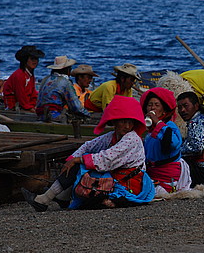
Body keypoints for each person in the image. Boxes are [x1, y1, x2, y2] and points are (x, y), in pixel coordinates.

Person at [22, 95, 155, 211]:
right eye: (123, 121)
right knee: (79, 165)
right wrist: (72, 158)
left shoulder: (132, 139)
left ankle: (45, 200)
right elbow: (88, 146)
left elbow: (107, 160)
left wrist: (77, 160)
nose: (127, 126)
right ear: (114, 121)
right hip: (116, 180)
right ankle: (57, 197)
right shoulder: (111, 136)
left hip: (128, 187)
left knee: (82, 166)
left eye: (130, 122)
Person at [140, 87, 191, 197]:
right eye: (150, 105)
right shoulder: (150, 133)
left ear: (164, 110)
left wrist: (158, 123)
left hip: (167, 175)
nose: (152, 108)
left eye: (157, 105)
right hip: (153, 172)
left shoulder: (170, 126)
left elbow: (173, 143)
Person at [35, 56, 89, 122]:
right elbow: (75, 106)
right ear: (67, 70)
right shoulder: (65, 82)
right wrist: (87, 114)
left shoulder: (45, 79)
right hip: (54, 115)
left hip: (40, 114)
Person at [2, 45, 45, 113]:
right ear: (25, 60)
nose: (35, 61)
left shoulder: (30, 74)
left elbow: (33, 92)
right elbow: (20, 95)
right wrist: (30, 108)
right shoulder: (19, 75)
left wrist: (34, 104)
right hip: (14, 106)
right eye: (32, 59)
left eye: (36, 59)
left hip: (26, 104)